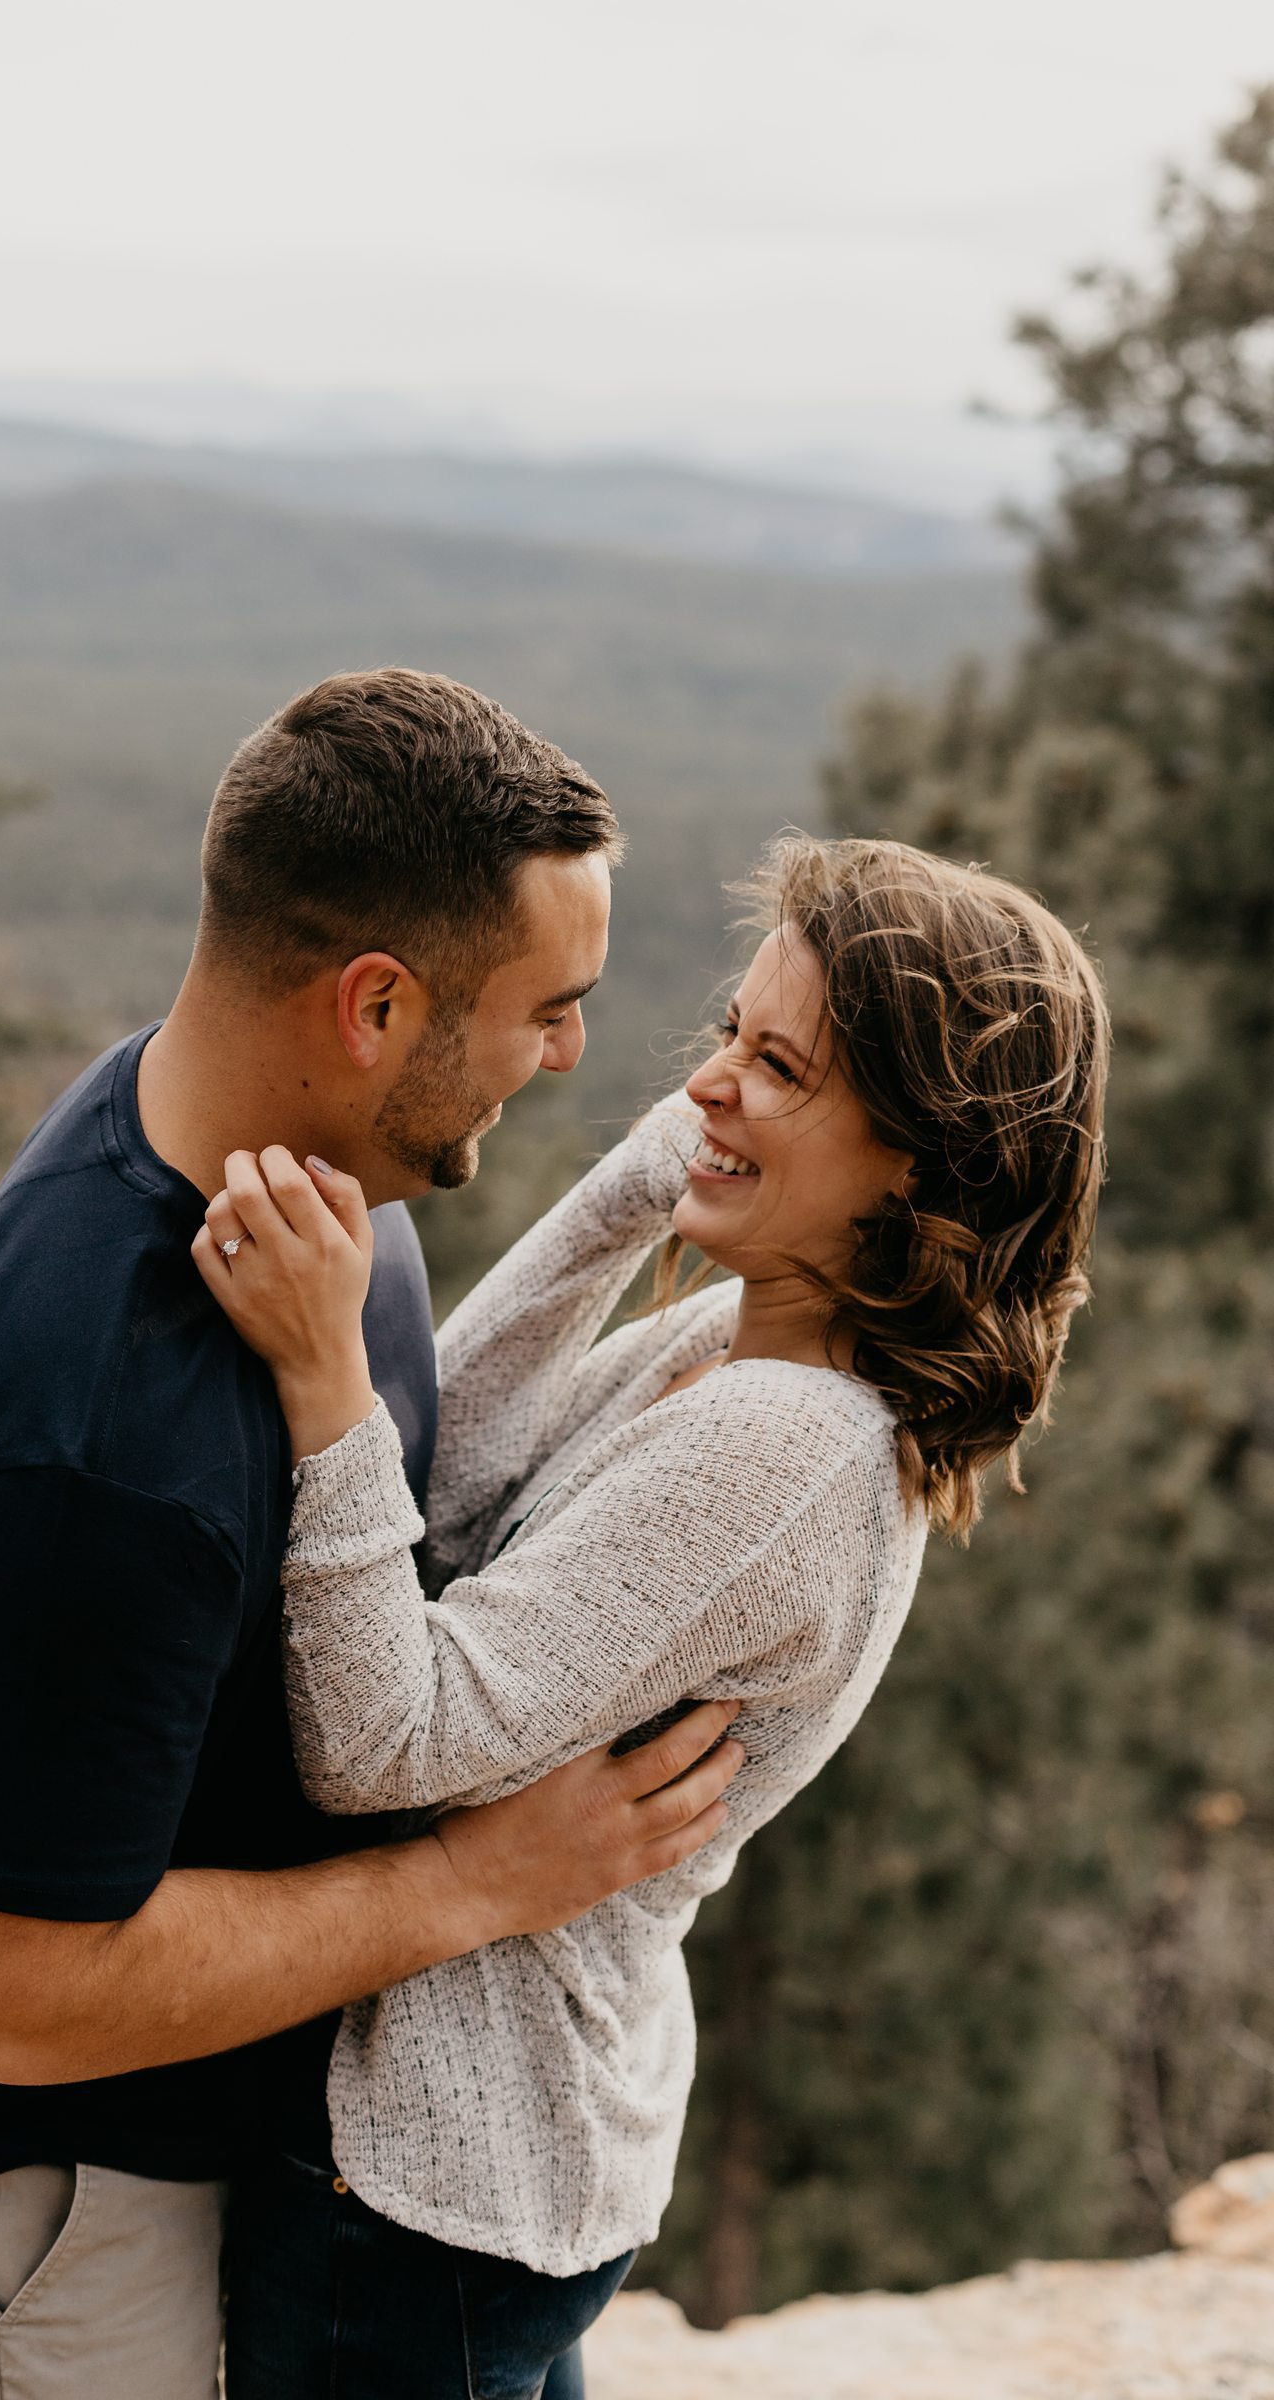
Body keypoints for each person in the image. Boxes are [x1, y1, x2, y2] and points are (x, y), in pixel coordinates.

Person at [0, 668, 748, 2400]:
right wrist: (476, 1883)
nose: (577, 1051)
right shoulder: (86, 1437)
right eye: (550, 1007)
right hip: (17, 2220)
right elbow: (9, 1999)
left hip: (181, 2143)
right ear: (374, 1006)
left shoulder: (307, 1199)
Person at [195, 832, 1112, 2399]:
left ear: (918, 1158)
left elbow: (379, 1734)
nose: (710, 1081)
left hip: (429, 2190)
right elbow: (458, 1474)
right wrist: (661, 1177)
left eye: (780, 1065)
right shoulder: (743, 1352)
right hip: (501, 2162)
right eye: (724, 1038)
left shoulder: (784, 1449)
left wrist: (318, 1377)